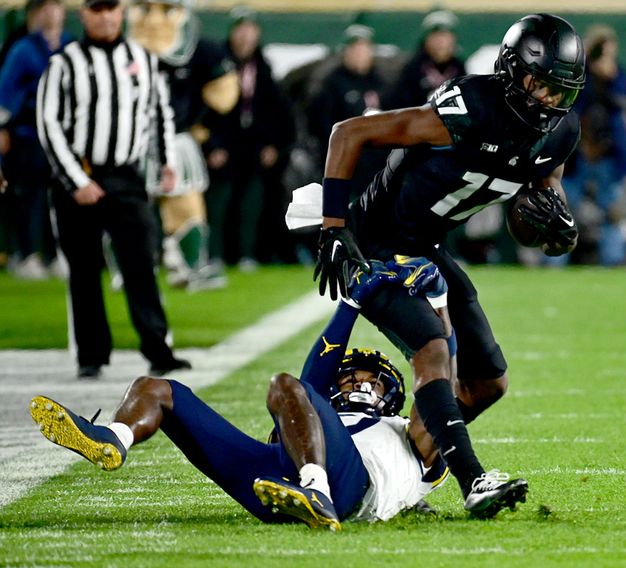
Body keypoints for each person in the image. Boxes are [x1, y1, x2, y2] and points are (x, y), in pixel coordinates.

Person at [311, 14, 582, 514]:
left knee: (487, 383)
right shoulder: (472, 107)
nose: (549, 101)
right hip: (376, 242)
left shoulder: (560, 134)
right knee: (433, 348)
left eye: (561, 92)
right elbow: (348, 132)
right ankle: (473, 479)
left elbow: (531, 213)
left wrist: (556, 232)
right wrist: (333, 227)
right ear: (511, 70)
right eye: (540, 85)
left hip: (428, 247)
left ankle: (404, 468)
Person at [28, 259, 507, 530]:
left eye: (374, 380)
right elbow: (308, 386)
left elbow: (440, 378)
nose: (358, 382)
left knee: (285, 386)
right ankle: (113, 436)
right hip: (274, 480)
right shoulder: (318, 413)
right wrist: (350, 303)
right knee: (158, 389)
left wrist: (441, 310)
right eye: (351, 377)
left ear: (396, 397)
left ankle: (314, 492)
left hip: (348, 490)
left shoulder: (411, 431)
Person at [37, 0, 191, 379]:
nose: (105, 16)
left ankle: (158, 348)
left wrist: (166, 161)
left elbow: (159, 112)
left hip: (127, 176)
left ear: (121, 13)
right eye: (96, 9)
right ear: (84, 14)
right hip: (80, 176)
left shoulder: (142, 57)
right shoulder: (64, 63)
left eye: (111, 8)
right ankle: (90, 355)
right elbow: (49, 123)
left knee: (141, 263)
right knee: (85, 269)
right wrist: (76, 181)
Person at [126, 0, 239, 290]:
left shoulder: (198, 49)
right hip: (125, 139)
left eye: (165, 10)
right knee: (125, 202)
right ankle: (123, 264)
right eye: (145, 8)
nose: (153, 20)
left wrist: (202, 123)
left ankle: (186, 264)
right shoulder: (116, 52)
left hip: (174, 137)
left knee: (185, 200)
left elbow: (223, 89)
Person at [203, 9, 295, 269]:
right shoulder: (218, 64)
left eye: (250, 30)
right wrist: (212, 144)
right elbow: (206, 109)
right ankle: (215, 254)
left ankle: (248, 254)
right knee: (219, 203)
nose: (245, 36)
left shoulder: (263, 69)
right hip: (224, 145)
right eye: (240, 30)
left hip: (253, 147)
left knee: (252, 204)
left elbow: (277, 112)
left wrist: (273, 145)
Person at [550, 24, 626, 267]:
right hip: (575, 157)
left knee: (613, 212)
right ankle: (553, 263)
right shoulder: (577, 76)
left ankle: (614, 261)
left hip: (608, 156)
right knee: (560, 209)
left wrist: (610, 78)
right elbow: (567, 107)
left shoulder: (618, 76)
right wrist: (587, 68)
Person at [0, 0, 69, 280]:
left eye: (56, 6)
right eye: (45, 8)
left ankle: (57, 254)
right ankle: (27, 254)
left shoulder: (70, 46)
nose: (51, 13)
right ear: (34, 14)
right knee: (30, 195)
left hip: (64, 137)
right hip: (29, 135)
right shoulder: (23, 49)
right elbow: (5, 93)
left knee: (63, 195)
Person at [308, 24, 388, 198]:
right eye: (354, 49)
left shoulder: (381, 84)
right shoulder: (332, 84)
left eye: (364, 48)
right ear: (345, 52)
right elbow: (322, 124)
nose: (359, 54)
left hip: (376, 168)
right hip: (345, 165)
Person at [386, 9, 466, 110]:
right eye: (435, 36)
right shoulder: (413, 69)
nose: (440, 41)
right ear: (426, 39)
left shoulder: (459, 68)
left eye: (445, 35)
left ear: (453, 39)